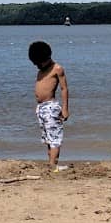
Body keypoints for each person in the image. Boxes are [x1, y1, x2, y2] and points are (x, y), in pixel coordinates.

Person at [28, 40, 69, 170]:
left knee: (55, 138)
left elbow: (64, 89)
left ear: (46, 58)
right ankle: (51, 163)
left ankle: (53, 165)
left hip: (51, 107)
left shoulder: (57, 69)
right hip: (41, 108)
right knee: (47, 138)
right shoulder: (40, 70)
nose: (37, 66)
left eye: (38, 63)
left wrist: (65, 108)